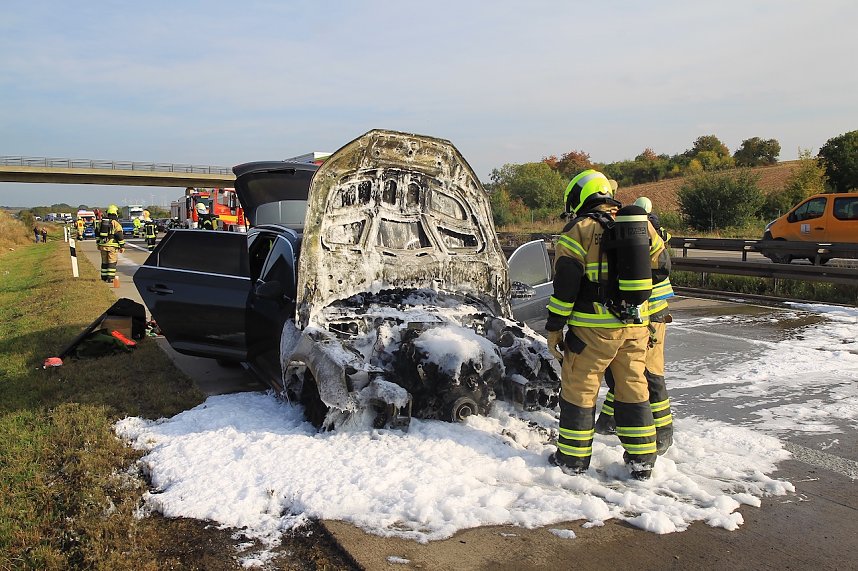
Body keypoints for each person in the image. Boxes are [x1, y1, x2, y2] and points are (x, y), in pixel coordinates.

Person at [545, 169, 667, 480]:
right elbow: (662, 269)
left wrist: (555, 328)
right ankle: (642, 462)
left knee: (580, 390)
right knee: (633, 390)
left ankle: (571, 461)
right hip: (635, 328)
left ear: (581, 196)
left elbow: (565, 287)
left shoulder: (579, 231)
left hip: (592, 331)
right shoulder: (640, 226)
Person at [595, 195, 675, 455]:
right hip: (648, 311)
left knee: (649, 373)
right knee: (626, 373)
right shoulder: (651, 230)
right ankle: (609, 421)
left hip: (649, 314)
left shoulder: (635, 230)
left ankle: (662, 433)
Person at [96, 204, 126, 283]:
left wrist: (98, 243)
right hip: (112, 246)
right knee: (112, 262)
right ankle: (110, 278)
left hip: (103, 245)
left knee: (104, 262)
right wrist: (122, 246)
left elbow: (97, 234)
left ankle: (103, 277)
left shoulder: (101, 223)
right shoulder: (115, 223)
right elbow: (119, 235)